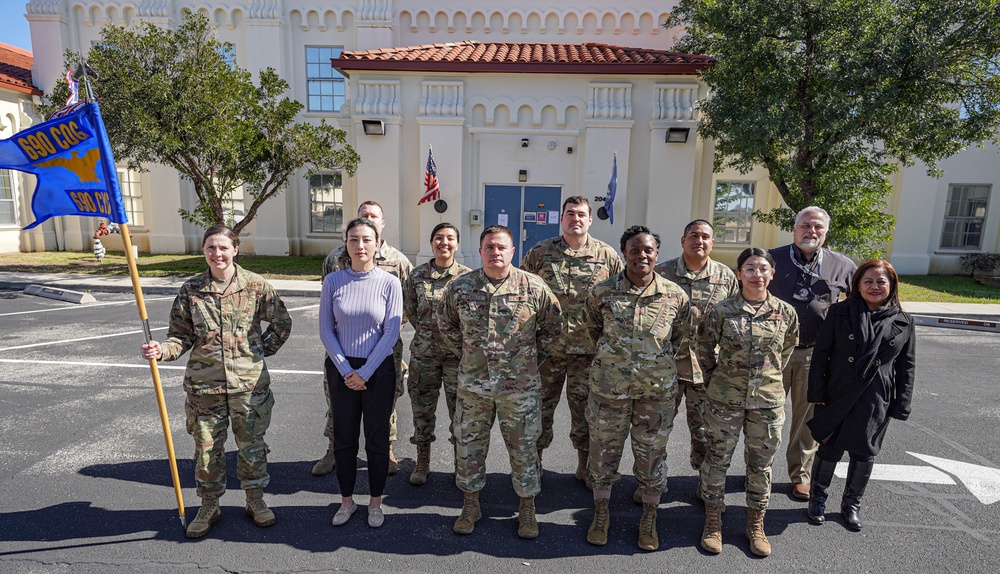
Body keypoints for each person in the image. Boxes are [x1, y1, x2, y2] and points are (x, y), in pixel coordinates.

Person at [139, 225, 292, 539]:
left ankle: (255, 500)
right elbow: (179, 337)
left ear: (235, 249)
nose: (217, 253)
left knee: (252, 449)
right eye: (211, 247)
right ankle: (209, 505)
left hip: (249, 388)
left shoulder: (256, 286)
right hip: (204, 389)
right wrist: (162, 350)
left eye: (223, 247)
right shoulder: (191, 289)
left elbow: (282, 323)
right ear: (204, 250)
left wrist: (258, 351)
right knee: (207, 450)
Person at [438, 225, 562, 539]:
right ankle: (470, 505)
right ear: (480, 251)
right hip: (474, 387)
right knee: (469, 447)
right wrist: (471, 355)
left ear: (512, 252)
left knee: (524, 449)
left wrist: (526, 361)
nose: (496, 252)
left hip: (519, 389)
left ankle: (527, 509)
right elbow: (447, 325)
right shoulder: (460, 287)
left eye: (501, 247)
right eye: (489, 247)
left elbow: (553, 329)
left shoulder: (534, 287)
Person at [584, 225, 690, 551]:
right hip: (609, 390)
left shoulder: (675, 295)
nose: (641, 255)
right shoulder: (601, 292)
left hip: (656, 392)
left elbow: (679, 338)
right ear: (624, 252)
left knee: (652, 456)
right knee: (603, 454)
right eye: (634, 249)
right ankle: (601, 513)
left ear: (657, 254)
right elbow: (593, 332)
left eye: (648, 250)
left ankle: (649, 516)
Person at [697, 247, 799, 557]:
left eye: (762, 269)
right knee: (717, 459)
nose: (756, 275)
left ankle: (756, 524)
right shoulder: (721, 311)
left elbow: (785, 352)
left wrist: (764, 380)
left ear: (772, 274)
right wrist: (721, 380)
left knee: (761, 466)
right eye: (750, 269)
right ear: (739, 274)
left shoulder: (786, 312)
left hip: (766, 402)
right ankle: (713, 520)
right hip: (724, 401)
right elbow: (704, 349)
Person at [806, 260, 916, 531]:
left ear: (891, 286)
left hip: (877, 396)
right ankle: (817, 499)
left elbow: (907, 366)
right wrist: (817, 391)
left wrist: (901, 404)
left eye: (881, 281)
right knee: (829, 447)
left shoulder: (904, 321)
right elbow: (821, 355)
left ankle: (851, 505)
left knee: (864, 452)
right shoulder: (840, 312)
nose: (874, 286)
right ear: (857, 284)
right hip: (836, 391)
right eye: (868, 281)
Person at [521, 196, 622, 483]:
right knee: (539, 409)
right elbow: (524, 294)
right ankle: (534, 464)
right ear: (561, 218)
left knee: (587, 411)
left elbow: (617, 300)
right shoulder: (540, 252)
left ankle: (585, 465)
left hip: (589, 352)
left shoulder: (607, 256)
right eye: (569, 214)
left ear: (590, 219)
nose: (575, 219)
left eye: (580, 214)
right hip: (546, 351)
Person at [312, 200, 413, 478]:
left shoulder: (399, 261)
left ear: (381, 225)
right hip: (342, 346)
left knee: (385, 402)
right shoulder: (334, 259)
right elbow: (329, 306)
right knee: (337, 399)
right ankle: (334, 448)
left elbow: (407, 305)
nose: (368, 218)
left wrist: (385, 333)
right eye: (363, 215)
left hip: (385, 346)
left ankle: (386, 448)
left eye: (373, 216)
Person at [768, 206, 856, 501]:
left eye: (818, 227)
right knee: (766, 415)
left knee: (806, 421)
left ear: (826, 232)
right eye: (805, 225)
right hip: (772, 352)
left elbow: (857, 307)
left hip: (814, 354)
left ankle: (800, 475)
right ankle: (760, 470)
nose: (811, 231)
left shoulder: (842, 265)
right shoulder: (772, 259)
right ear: (794, 229)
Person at [320, 217, 403, 528]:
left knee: (377, 439)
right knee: (344, 437)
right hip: (342, 369)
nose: (360, 245)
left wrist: (365, 371)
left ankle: (375, 503)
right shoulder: (333, 282)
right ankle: (346, 502)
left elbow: (391, 331)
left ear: (378, 244)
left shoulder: (389, 282)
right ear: (346, 244)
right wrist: (345, 369)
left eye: (367, 239)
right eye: (353, 239)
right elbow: (326, 330)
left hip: (377, 368)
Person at [654, 219, 738, 487]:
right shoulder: (661, 273)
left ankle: (705, 484)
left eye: (705, 237)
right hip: (666, 368)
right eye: (693, 236)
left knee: (706, 432)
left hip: (707, 370)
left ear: (712, 243)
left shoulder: (726, 277)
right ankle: (653, 482)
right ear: (682, 240)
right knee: (657, 430)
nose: (698, 241)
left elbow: (734, 321)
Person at [402, 222, 471, 485]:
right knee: (422, 410)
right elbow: (411, 309)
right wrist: (430, 336)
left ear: (457, 244)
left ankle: (460, 463)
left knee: (461, 413)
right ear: (432, 242)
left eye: (450, 238)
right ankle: (422, 460)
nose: (444, 242)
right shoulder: (417, 275)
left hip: (458, 358)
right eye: (439, 238)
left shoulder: (467, 277)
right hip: (424, 356)